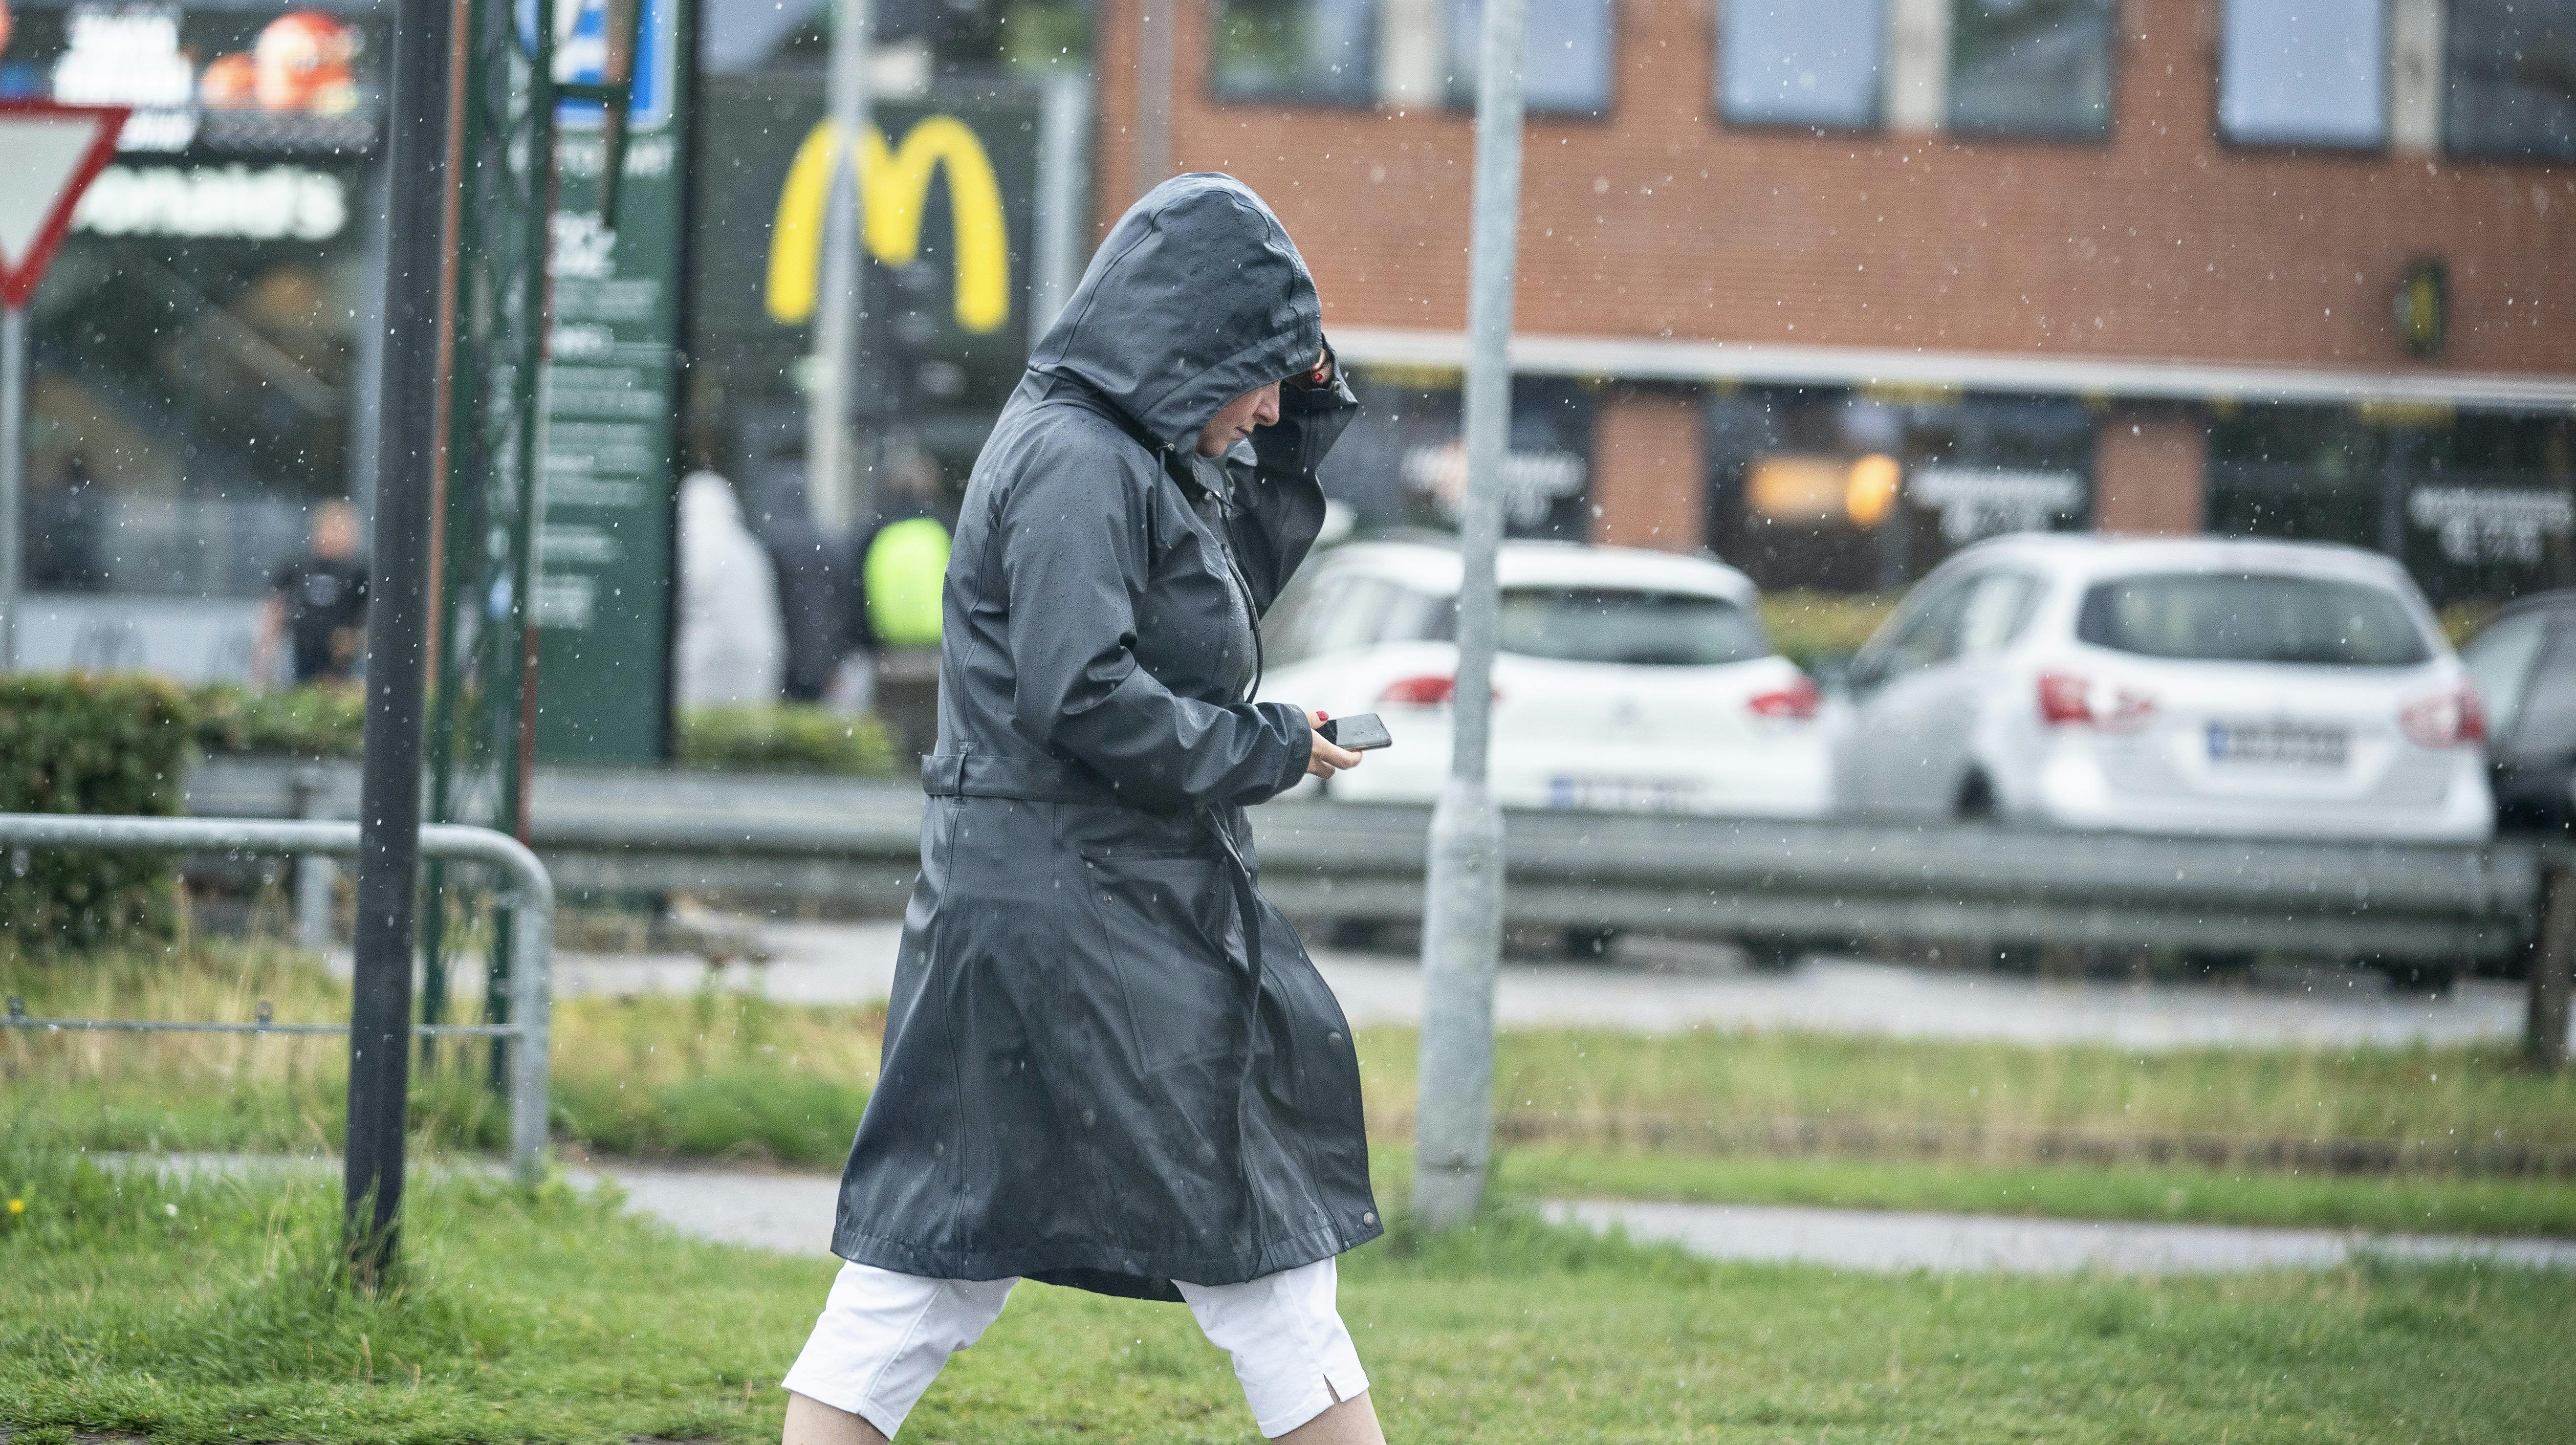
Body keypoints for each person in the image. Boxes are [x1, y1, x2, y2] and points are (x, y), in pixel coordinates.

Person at [780, 174, 1383, 1445]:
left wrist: (1310, 400)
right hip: (1078, 912)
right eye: (1262, 373)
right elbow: (1083, 696)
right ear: (1194, 345)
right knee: (1250, 1249)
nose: (1271, 401)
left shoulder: (1118, 452)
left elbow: (1221, 586)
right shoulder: (1078, 461)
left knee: (932, 1260)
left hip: (1059, 906)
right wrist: (1267, 746)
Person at [840, 451, 951, 757]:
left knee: (891, 740)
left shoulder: (874, 533)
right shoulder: (945, 530)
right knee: (935, 739)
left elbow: (856, 597)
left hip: (887, 654)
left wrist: (862, 645)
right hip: (937, 655)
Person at [675, 468, 787, 706]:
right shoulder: (748, 547)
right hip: (756, 660)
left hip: (708, 665)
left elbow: (692, 601)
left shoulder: (693, 545)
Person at [256, 500, 368, 686]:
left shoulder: (361, 572)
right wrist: (262, 669)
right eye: (333, 529)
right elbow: (273, 616)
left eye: (343, 530)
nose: (337, 536)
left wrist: (354, 641)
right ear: (317, 531)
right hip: (301, 661)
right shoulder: (296, 567)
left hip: (346, 669)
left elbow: (374, 621)